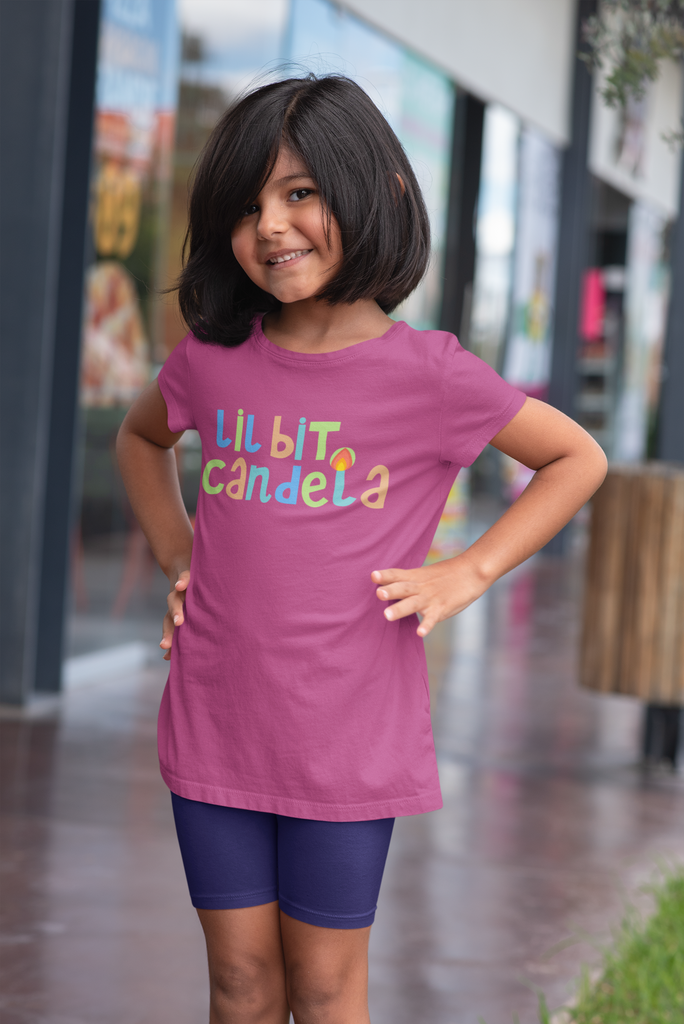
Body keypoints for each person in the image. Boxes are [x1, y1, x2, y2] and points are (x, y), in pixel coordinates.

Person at [116, 75, 607, 1024]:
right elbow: (140, 440)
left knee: (329, 988)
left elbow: (574, 458)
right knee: (239, 985)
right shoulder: (210, 361)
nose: (270, 224)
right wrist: (181, 555)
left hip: (346, 742)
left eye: (298, 192)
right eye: (248, 204)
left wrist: (468, 571)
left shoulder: (432, 375)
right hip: (216, 718)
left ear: (374, 189)